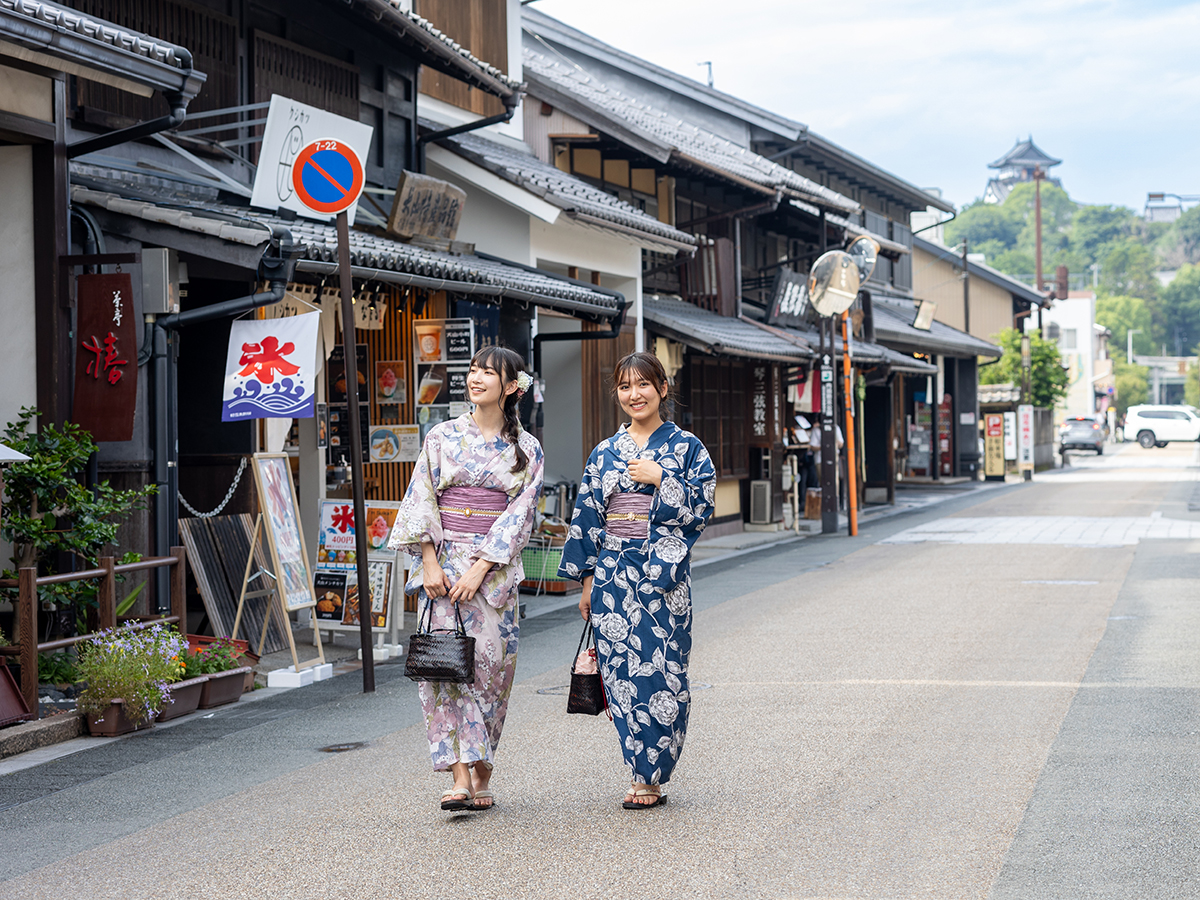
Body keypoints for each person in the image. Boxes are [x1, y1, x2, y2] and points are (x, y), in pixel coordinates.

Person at [390, 346, 544, 812]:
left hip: (491, 576)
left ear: (511, 386)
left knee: (492, 674)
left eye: (488, 372)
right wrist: (430, 562)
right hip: (441, 570)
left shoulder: (527, 448)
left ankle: (483, 770)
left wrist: (480, 567)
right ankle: (458, 776)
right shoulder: (442, 437)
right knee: (444, 668)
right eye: (474, 370)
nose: (476, 378)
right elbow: (422, 499)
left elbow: (522, 514)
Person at [559, 351, 715, 809]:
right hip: (612, 573)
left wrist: (661, 477)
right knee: (623, 672)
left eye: (644, 385)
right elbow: (587, 516)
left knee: (665, 671)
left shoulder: (687, 448)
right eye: (625, 387)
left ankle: (657, 768)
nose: (634, 395)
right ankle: (639, 773)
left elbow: (703, 507)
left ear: (663, 390)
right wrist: (586, 580)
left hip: (662, 576)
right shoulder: (604, 453)